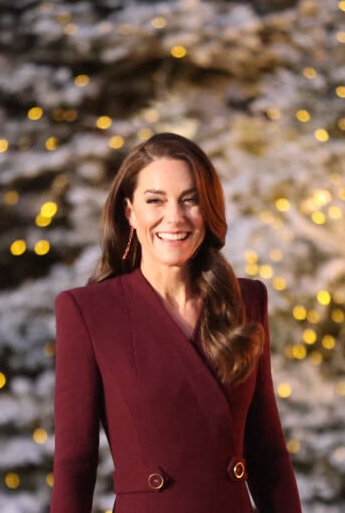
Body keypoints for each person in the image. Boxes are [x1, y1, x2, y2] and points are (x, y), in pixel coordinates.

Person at [51, 132, 302, 513]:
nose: (175, 217)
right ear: (130, 212)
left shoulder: (245, 300)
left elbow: (267, 453)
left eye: (191, 200)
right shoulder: (88, 312)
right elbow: (75, 465)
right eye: (156, 201)